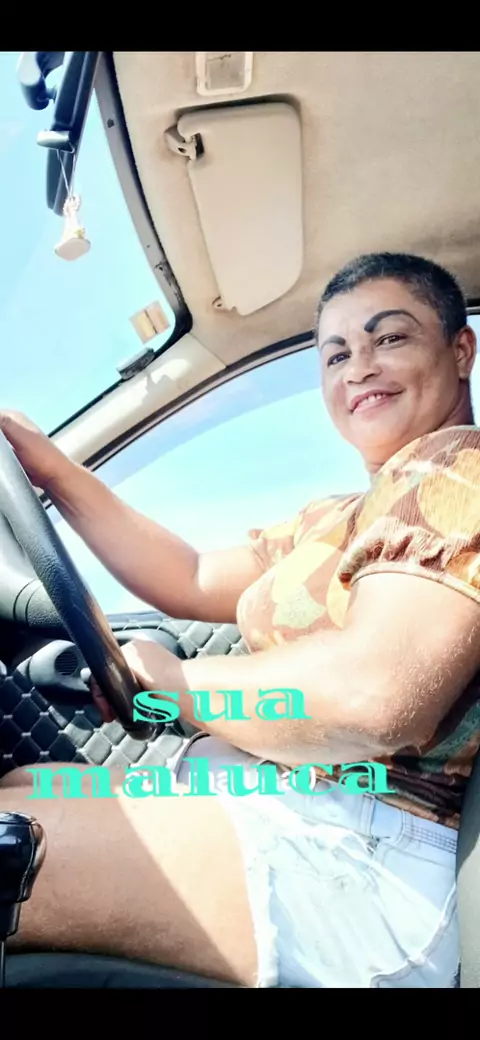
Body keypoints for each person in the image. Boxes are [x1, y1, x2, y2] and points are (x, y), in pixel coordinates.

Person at [2, 251, 480, 989]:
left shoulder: (457, 470)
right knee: (26, 787)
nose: (359, 368)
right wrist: (53, 470)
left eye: (389, 337)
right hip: (291, 804)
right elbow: (190, 575)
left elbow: (375, 697)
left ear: (461, 349)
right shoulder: (339, 516)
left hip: (375, 863)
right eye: (336, 354)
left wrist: (176, 683)